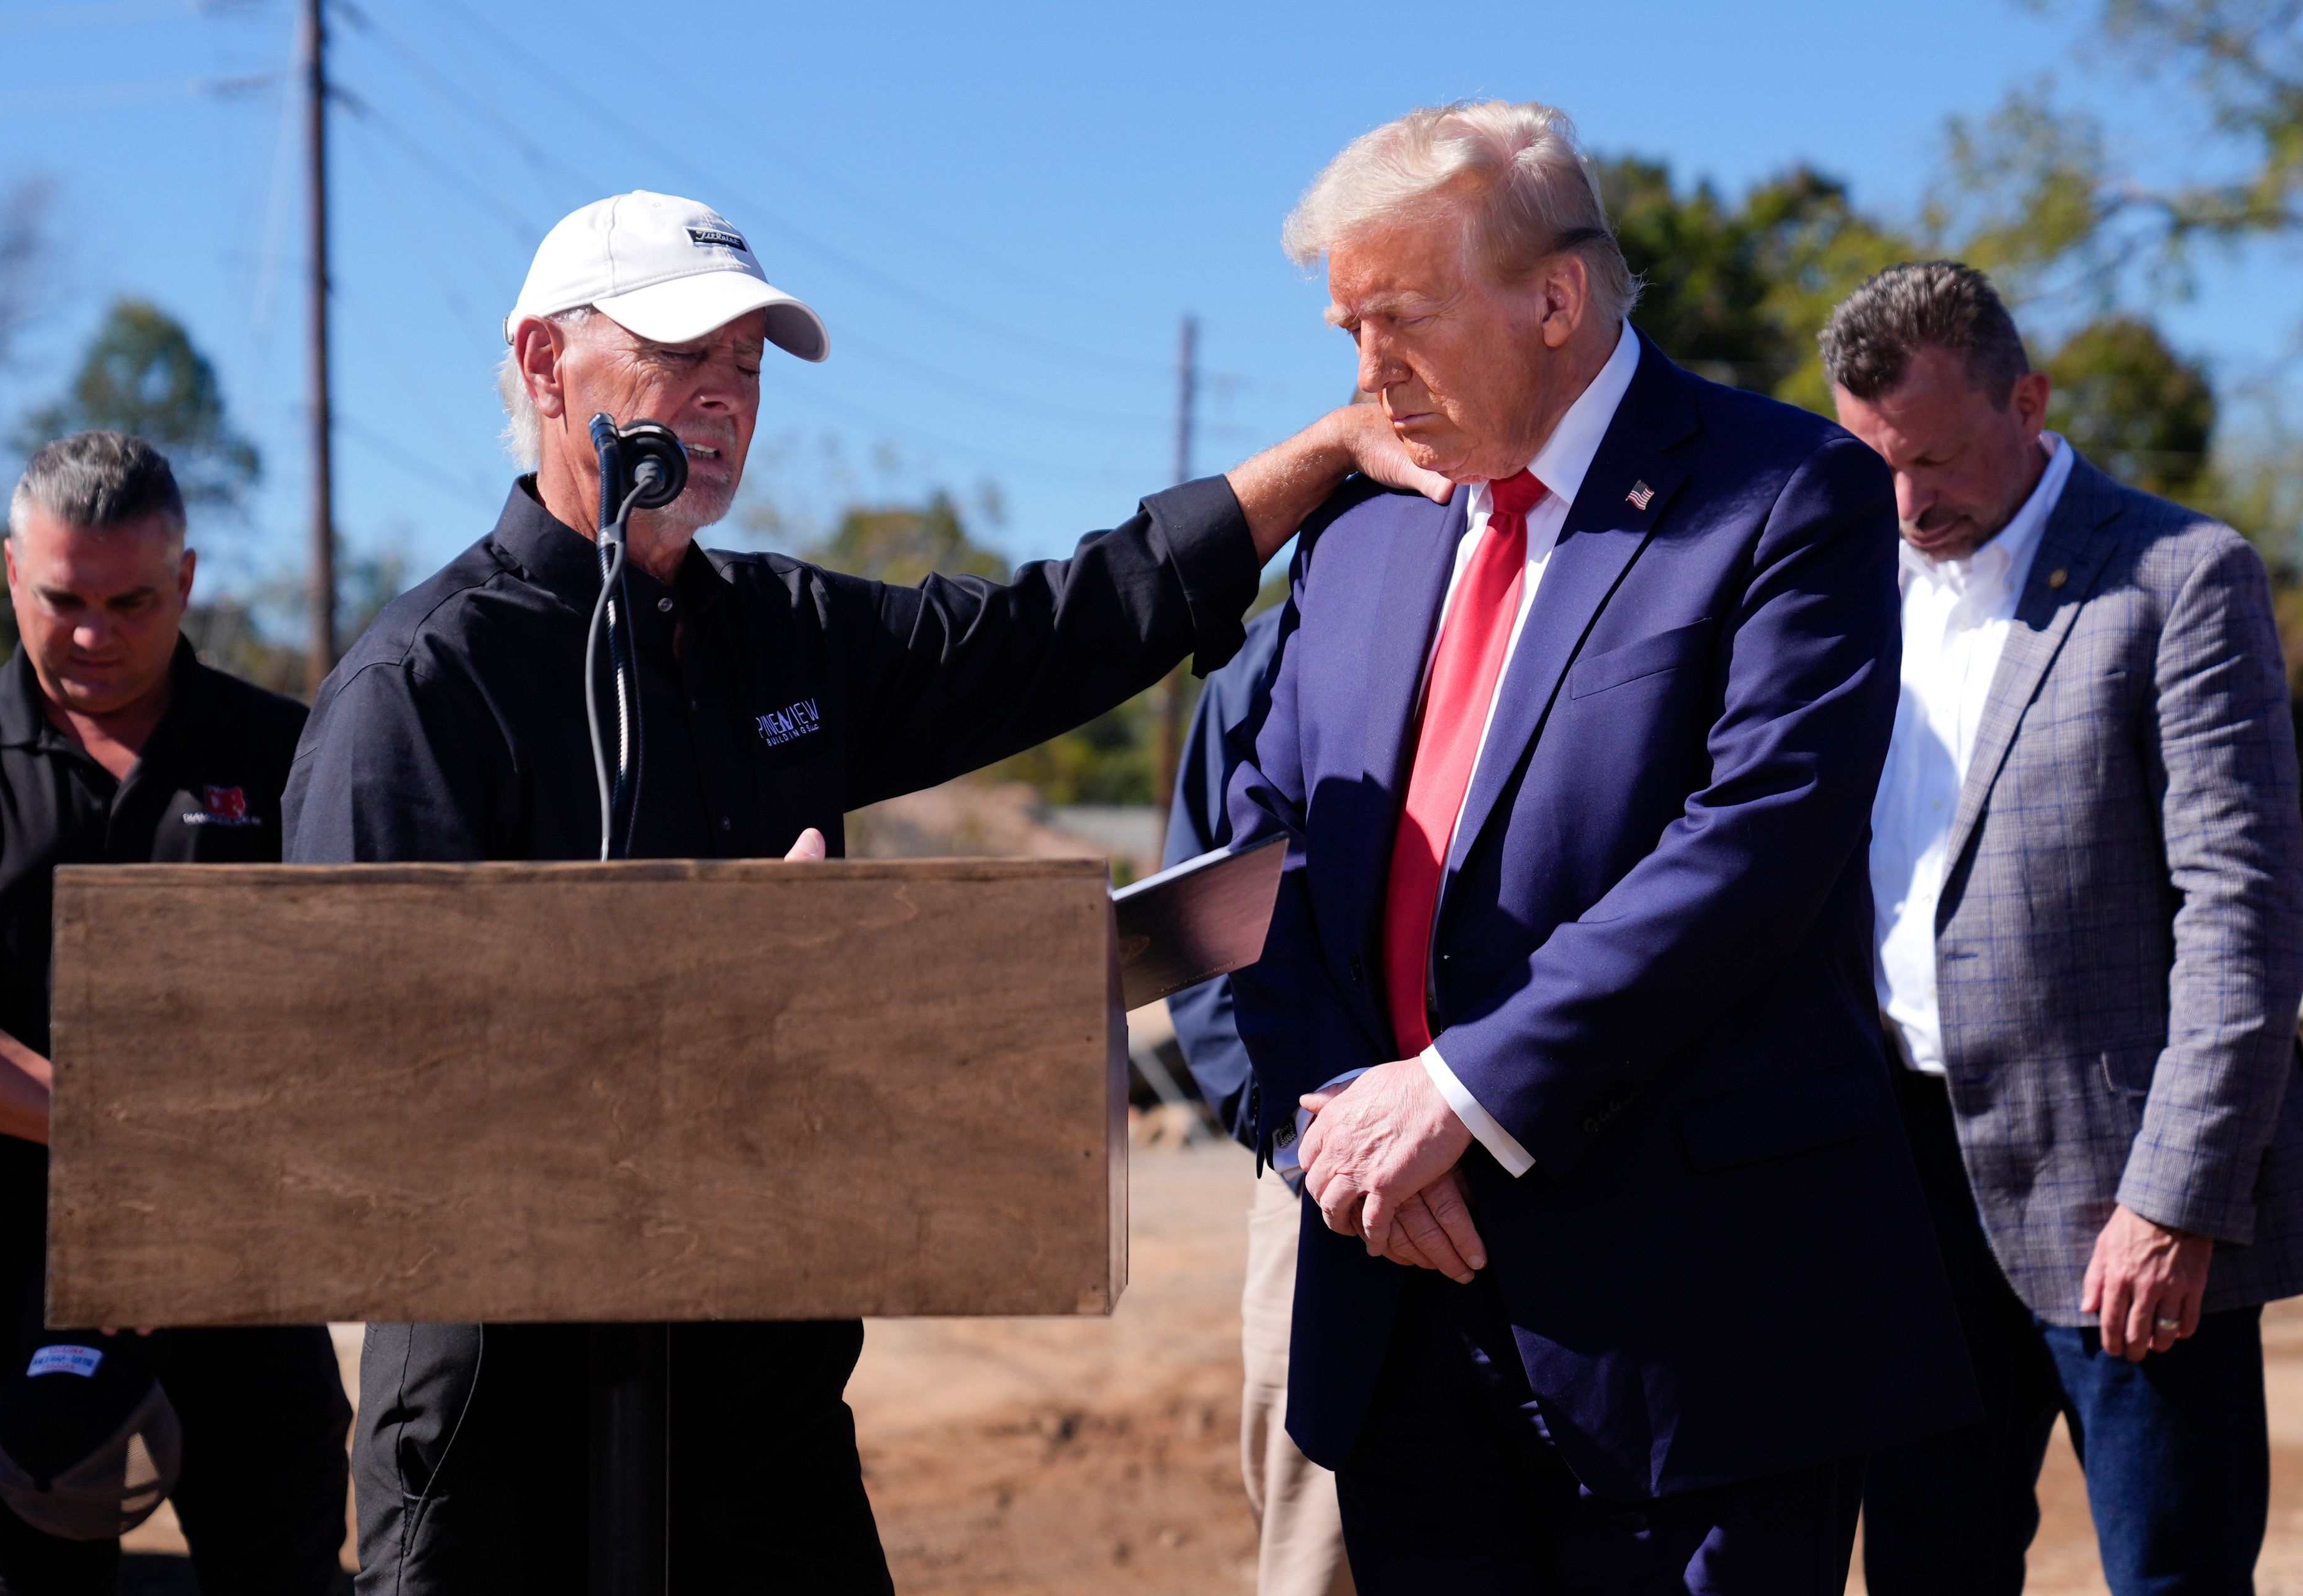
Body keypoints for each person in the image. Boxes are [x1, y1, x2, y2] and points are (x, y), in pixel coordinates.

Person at [282, 188, 1445, 1594]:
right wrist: (710, 982)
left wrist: (1327, 453)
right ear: (543, 363)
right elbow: (355, 1088)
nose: (720, 401)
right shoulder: (421, 686)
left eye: (748, 369)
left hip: (761, 1405)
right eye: (676, 356)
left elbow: (1059, 626)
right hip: (504, 1435)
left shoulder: (785, 632)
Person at [1223, 101, 1979, 1593]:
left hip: (1693, 1335)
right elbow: (1268, 842)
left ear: (1554, 299)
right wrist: (1342, 1119)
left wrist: (1458, 1090)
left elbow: (1756, 842)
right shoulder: (1363, 525)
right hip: (1400, 1304)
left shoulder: (1786, 492)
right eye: (1345, 328)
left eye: (1400, 321)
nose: (1366, 377)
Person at [1821, 261, 2303, 1592]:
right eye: (1875, 469)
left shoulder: (2180, 577)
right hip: (1904, 1186)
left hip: (2122, 1194)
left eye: (1934, 457)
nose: (1908, 502)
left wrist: (2174, 1195)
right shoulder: (1846, 588)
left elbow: (2243, 913)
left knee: (2173, 1574)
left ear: (2027, 400)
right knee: (1927, 1567)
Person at [0, 432, 351, 1594]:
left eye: (132, 600)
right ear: (11, 573)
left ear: (189, 582)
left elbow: (348, 1008)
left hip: (245, 1287)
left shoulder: (284, 749)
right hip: (6, 1295)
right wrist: (119, 1139)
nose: (94, 635)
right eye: (63, 601)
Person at [1165, 600, 1356, 1596]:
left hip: (1537, 1157)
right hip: (1321, 1187)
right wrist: (1289, 1126)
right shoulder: (1287, 643)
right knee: (1317, 1546)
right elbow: (1196, 913)